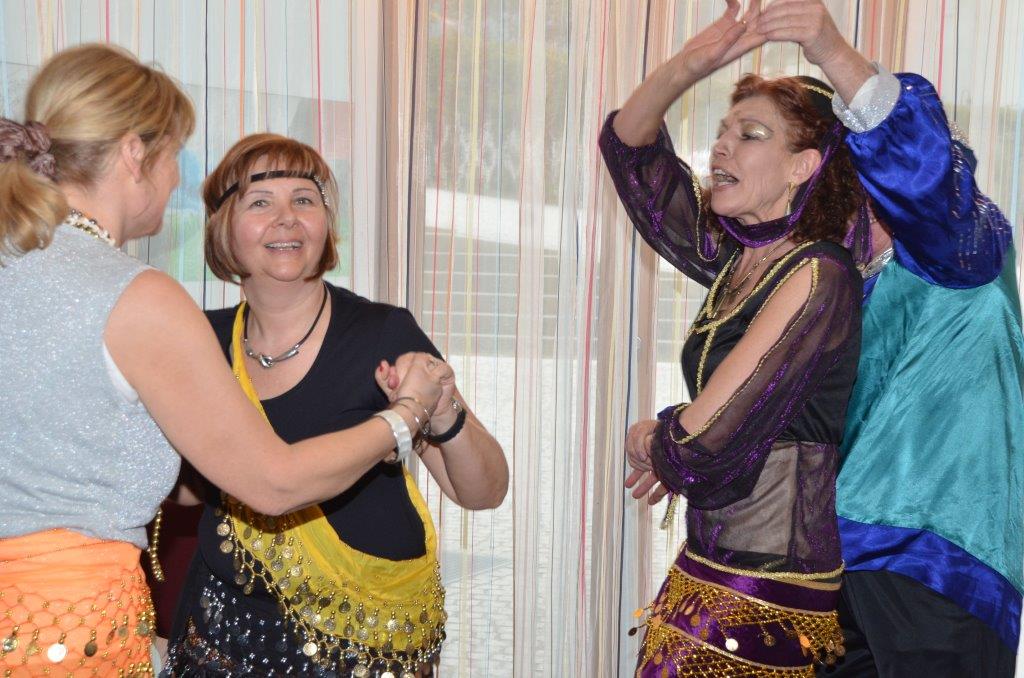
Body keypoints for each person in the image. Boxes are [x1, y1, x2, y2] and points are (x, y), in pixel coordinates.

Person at [0, 45, 446, 675]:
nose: (178, 179)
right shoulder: (138, 296)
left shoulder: (14, 265)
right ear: (134, 154)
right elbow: (275, 483)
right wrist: (406, 415)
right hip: (70, 630)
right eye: (175, 155)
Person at [162, 133, 508, 677]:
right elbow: (182, 487)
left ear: (325, 222)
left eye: (304, 199)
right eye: (261, 202)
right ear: (224, 227)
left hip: (366, 645)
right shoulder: (201, 340)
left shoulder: (382, 332)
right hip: (225, 638)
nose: (287, 218)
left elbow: (484, 492)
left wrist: (440, 412)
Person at [743, 2, 1021, 676]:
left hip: (938, 560)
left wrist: (829, 48)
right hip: (841, 564)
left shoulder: (962, 245)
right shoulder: (847, 276)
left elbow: (922, 176)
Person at [599, 2, 864, 674]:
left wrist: (650, 437)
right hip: (711, 566)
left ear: (803, 167)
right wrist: (690, 66)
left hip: (769, 589)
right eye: (721, 132)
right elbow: (631, 150)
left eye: (750, 134)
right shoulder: (739, 259)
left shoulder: (818, 273)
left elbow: (701, 445)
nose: (721, 147)